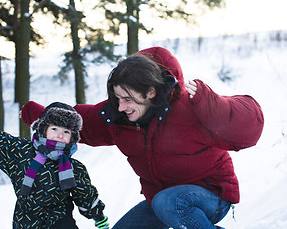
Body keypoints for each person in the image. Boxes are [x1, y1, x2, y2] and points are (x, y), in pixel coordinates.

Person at [20, 47, 264, 229]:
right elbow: (82, 123)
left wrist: (211, 104)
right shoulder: (118, 116)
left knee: (169, 202)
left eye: (128, 98)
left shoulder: (190, 109)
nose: (121, 106)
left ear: (150, 92)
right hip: (161, 200)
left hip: (211, 195)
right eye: (117, 98)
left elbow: (249, 125)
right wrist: (39, 116)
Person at [0, 102, 109, 229]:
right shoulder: (21, 152)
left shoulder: (74, 167)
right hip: (26, 222)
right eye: (55, 129)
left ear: (72, 137)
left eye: (66, 132)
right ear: (43, 129)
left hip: (61, 223)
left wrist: (98, 216)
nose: (59, 135)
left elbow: (85, 194)